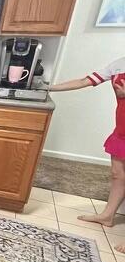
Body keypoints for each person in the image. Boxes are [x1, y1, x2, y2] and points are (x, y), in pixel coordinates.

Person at [50, 57, 125, 252]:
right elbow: (84, 81)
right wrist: (49, 88)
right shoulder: (119, 64)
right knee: (117, 175)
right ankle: (107, 216)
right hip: (122, 130)